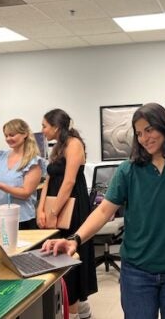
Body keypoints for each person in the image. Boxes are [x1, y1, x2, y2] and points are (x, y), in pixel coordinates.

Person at [41, 103, 165, 319]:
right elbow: (103, 211)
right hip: (137, 273)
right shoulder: (128, 170)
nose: (144, 138)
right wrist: (75, 239)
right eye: (139, 133)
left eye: (149, 129)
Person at [37, 109, 97, 319]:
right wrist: (41, 209)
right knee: (55, 257)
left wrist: (54, 211)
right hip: (55, 207)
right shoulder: (57, 148)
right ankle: (77, 308)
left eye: (44, 126)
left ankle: (73, 310)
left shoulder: (74, 143)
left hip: (72, 207)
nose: (42, 130)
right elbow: (48, 181)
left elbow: (69, 181)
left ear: (56, 126)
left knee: (69, 260)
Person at [0, 118, 46, 230]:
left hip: (20, 220)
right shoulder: (1, 156)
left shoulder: (33, 161)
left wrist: (1, 186)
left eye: (12, 135)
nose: (8, 139)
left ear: (24, 134)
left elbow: (25, 193)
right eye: (6, 136)